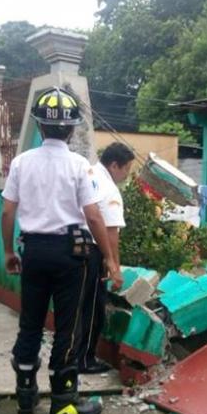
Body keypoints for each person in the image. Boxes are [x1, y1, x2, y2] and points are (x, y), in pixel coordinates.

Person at [1, 86, 123, 414]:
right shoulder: (78, 164)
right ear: (70, 128)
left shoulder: (22, 163)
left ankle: (25, 398)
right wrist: (110, 260)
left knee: (30, 324)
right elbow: (95, 216)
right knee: (69, 328)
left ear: (40, 126)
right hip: (72, 256)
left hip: (34, 251)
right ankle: (64, 403)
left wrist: (10, 251)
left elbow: (7, 213)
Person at [78, 142, 135, 374]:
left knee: (77, 306)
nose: (126, 175)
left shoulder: (86, 174)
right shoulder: (109, 189)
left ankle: (73, 355)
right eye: (126, 170)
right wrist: (115, 267)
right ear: (114, 165)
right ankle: (84, 359)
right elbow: (111, 232)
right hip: (91, 252)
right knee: (93, 309)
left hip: (69, 247)